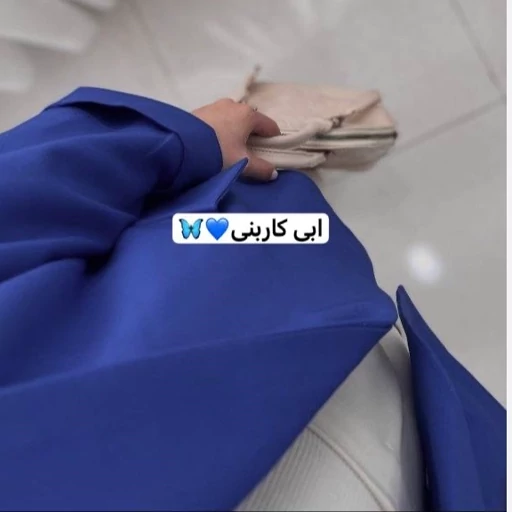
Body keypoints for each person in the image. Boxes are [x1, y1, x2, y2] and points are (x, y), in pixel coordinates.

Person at [0, 88, 505, 511]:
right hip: (253, 288)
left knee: (257, 219)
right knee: (257, 222)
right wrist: (176, 140)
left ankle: (253, 160)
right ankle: (256, 157)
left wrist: (185, 141)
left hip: (265, 296)